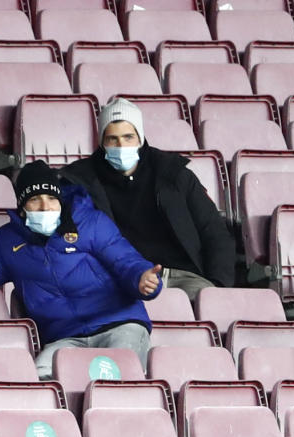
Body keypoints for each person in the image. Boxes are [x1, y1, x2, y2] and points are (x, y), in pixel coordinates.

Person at [0, 161, 162, 380]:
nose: (45, 207)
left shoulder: (92, 223)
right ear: (22, 207)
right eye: (35, 200)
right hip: (64, 337)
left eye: (51, 199)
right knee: (41, 382)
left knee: (118, 380)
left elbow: (126, 261)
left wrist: (142, 279)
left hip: (119, 324)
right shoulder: (8, 240)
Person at [62, 97, 235, 299]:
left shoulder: (173, 173)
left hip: (184, 277)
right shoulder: (79, 180)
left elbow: (213, 231)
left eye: (128, 137)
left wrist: (217, 285)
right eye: (112, 139)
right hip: (121, 279)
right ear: (101, 142)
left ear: (140, 137)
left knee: (213, 308)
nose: (121, 145)